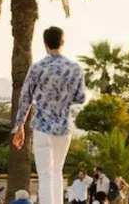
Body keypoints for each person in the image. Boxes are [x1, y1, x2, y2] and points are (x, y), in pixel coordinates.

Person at [12, 26, 88, 204]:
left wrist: (20, 125)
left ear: (45, 43)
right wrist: (64, 97)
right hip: (63, 127)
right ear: (62, 42)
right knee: (57, 171)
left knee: (45, 174)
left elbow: (25, 98)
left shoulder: (37, 68)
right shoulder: (75, 68)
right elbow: (81, 98)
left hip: (42, 126)